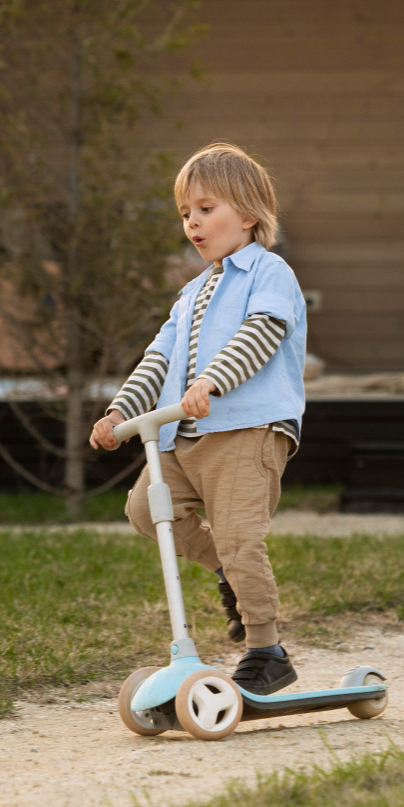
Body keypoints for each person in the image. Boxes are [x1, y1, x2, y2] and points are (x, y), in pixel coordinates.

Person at [89, 142, 306, 695]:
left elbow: (259, 333)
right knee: (145, 510)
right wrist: (121, 410)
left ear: (249, 213)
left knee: (240, 537)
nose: (193, 222)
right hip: (184, 434)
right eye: (186, 213)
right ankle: (225, 574)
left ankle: (267, 649)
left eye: (206, 208)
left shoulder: (268, 272)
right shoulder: (190, 293)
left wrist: (211, 381)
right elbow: (158, 357)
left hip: (246, 429)